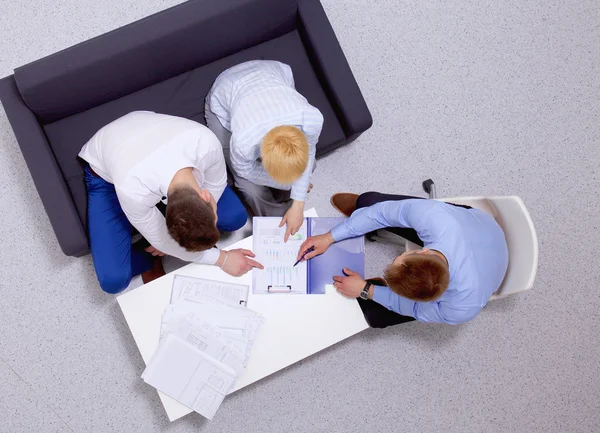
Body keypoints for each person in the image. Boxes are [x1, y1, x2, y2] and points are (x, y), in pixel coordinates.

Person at [79, 111, 263, 294]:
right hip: (108, 177)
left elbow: (217, 184)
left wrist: (171, 242)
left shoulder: (206, 144)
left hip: (148, 133)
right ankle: (148, 256)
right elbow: (163, 241)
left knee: (235, 217)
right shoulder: (134, 190)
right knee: (113, 281)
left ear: (206, 195)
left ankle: (169, 241)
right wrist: (222, 259)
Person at [296, 192, 509, 326]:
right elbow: (379, 214)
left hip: (485, 269)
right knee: (368, 203)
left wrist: (365, 290)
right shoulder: (433, 218)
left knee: (374, 317)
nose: (395, 258)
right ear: (424, 251)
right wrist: (329, 237)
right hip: (478, 224)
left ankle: (375, 290)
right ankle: (360, 214)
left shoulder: (460, 309)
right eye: (398, 260)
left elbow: (415, 309)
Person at [205, 60, 324, 242]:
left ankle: (289, 209)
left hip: (270, 71)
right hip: (225, 92)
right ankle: (276, 221)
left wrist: (298, 203)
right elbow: (246, 171)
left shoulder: (312, 118)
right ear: (261, 156)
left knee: (309, 167)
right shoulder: (244, 141)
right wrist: (294, 186)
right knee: (251, 189)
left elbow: (310, 153)